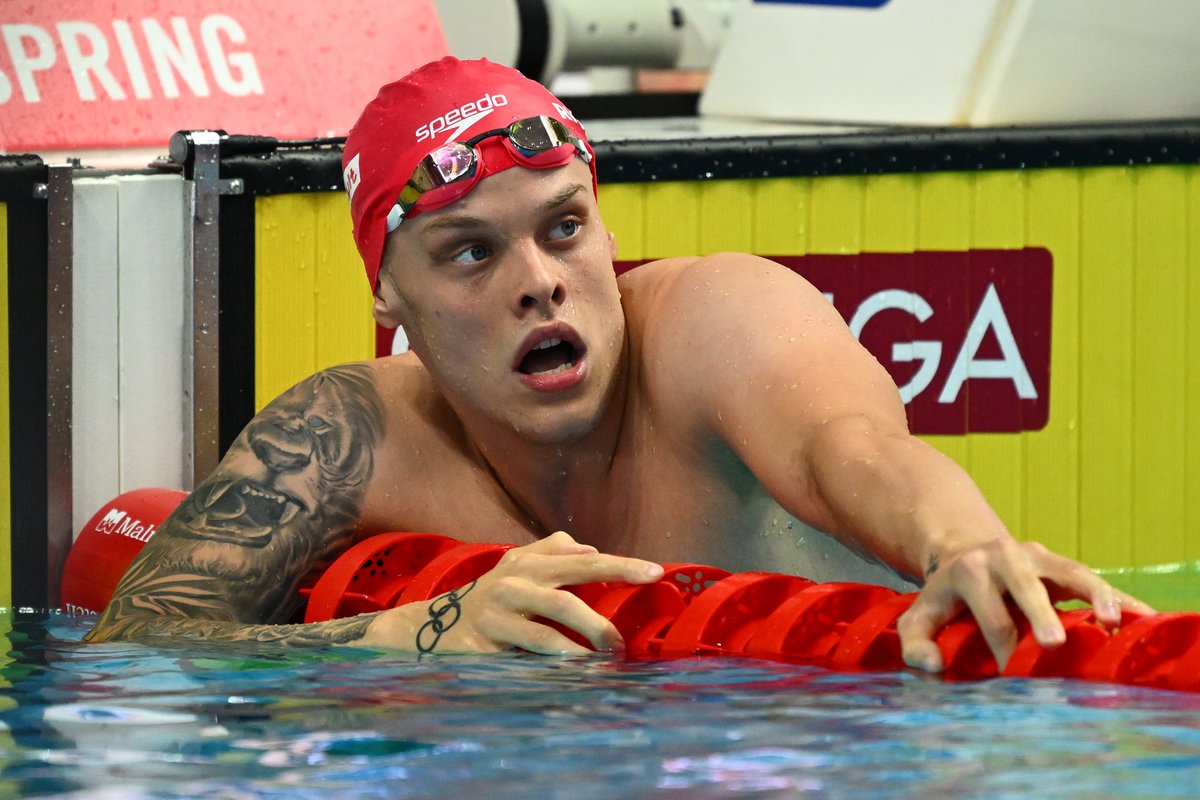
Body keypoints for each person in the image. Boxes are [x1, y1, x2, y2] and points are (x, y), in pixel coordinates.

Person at [85, 57, 1146, 671]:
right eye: (471, 251)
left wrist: (962, 540)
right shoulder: (351, 432)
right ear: (388, 296)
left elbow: (851, 447)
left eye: (563, 228)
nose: (539, 281)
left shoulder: (717, 321)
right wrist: (404, 630)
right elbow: (133, 646)